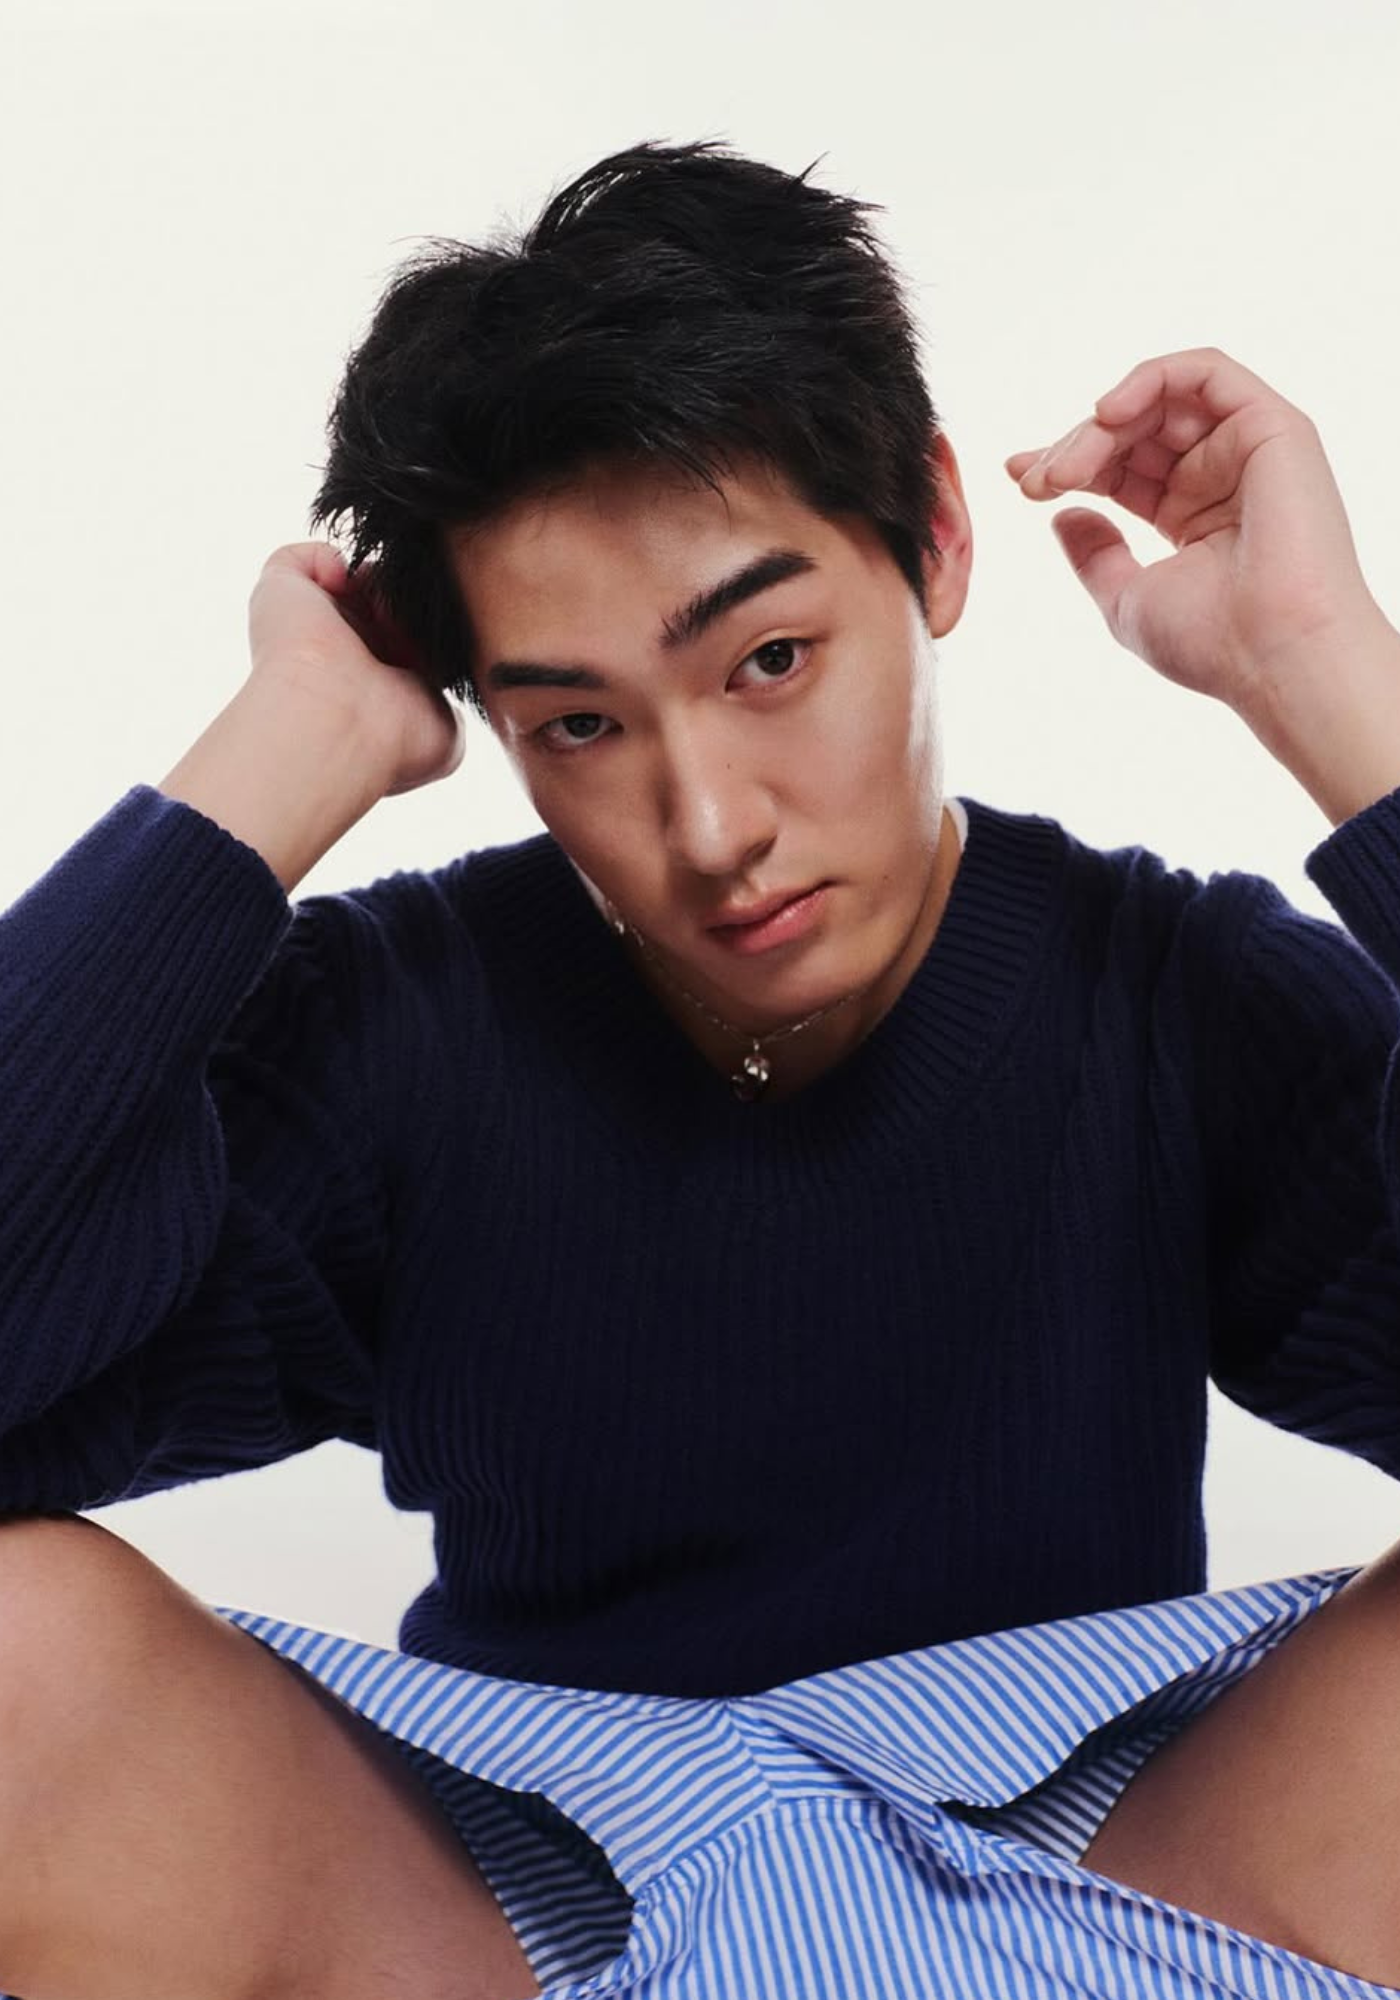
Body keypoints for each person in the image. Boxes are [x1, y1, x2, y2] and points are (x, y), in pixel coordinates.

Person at [3, 136, 1400, 2000]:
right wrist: (282, 751)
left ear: (935, 533)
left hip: (1090, 1901)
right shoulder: (401, 1028)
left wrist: (1329, 676)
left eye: (769, 660)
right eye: (579, 724)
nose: (712, 825)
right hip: (521, 1921)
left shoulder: (1172, 996)